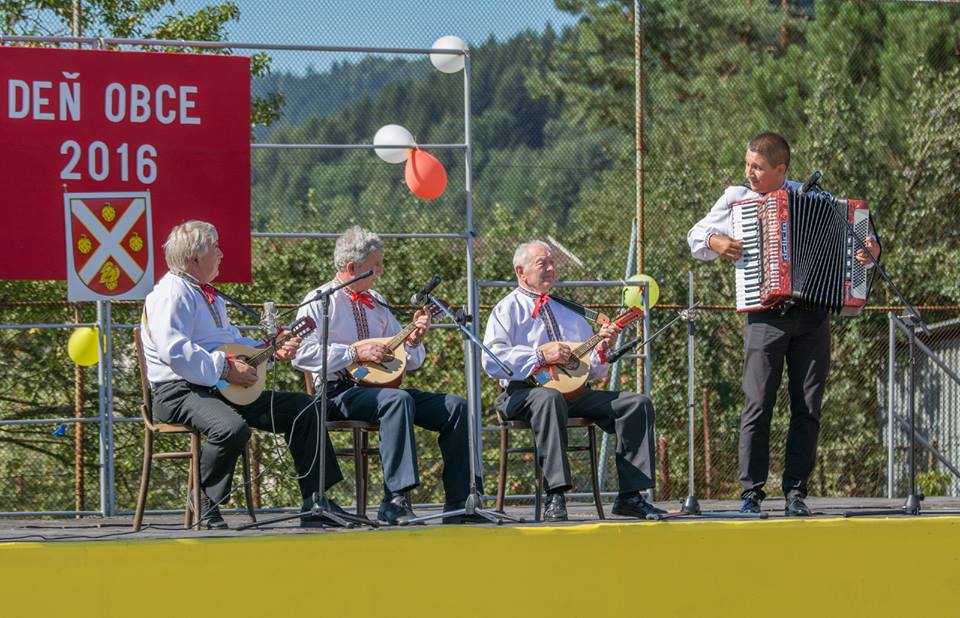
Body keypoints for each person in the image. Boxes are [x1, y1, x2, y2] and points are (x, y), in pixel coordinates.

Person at [687, 132, 880, 516]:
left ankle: (795, 492)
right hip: (765, 317)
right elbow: (694, 237)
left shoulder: (815, 198)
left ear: (781, 169)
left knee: (808, 407)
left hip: (812, 317)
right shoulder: (736, 198)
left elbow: (864, 240)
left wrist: (869, 250)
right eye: (747, 164)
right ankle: (751, 493)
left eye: (757, 167)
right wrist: (716, 241)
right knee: (758, 403)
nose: (749, 173)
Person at [141, 220, 344, 529]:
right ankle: (204, 497)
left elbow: (230, 342)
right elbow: (175, 350)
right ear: (194, 258)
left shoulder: (207, 295)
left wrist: (269, 350)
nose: (221, 254)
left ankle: (316, 500)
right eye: (215, 248)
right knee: (231, 428)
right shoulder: (170, 293)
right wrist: (225, 368)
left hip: (219, 388)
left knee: (304, 407)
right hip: (179, 392)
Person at [293, 226, 479, 525]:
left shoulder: (376, 300)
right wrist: (353, 352)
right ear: (352, 267)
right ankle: (395, 500)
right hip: (336, 393)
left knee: (455, 406)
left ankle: (460, 503)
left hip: (381, 391)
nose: (381, 271)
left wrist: (414, 339)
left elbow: (408, 361)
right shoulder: (319, 300)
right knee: (397, 400)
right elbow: (301, 354)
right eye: (375, 265)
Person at [481, 240, 663, 521]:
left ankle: (630, 496)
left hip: (572, 395)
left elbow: (592, 371)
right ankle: (555, 493)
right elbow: (492, 361)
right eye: (542, 263)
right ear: (521, 271)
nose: (551, 268)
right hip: (524, 394)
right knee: (549, 398)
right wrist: (539, 355)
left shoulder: (569, 311)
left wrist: (602, 348)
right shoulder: (507, 309)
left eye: (552, 263)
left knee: (635, 404)